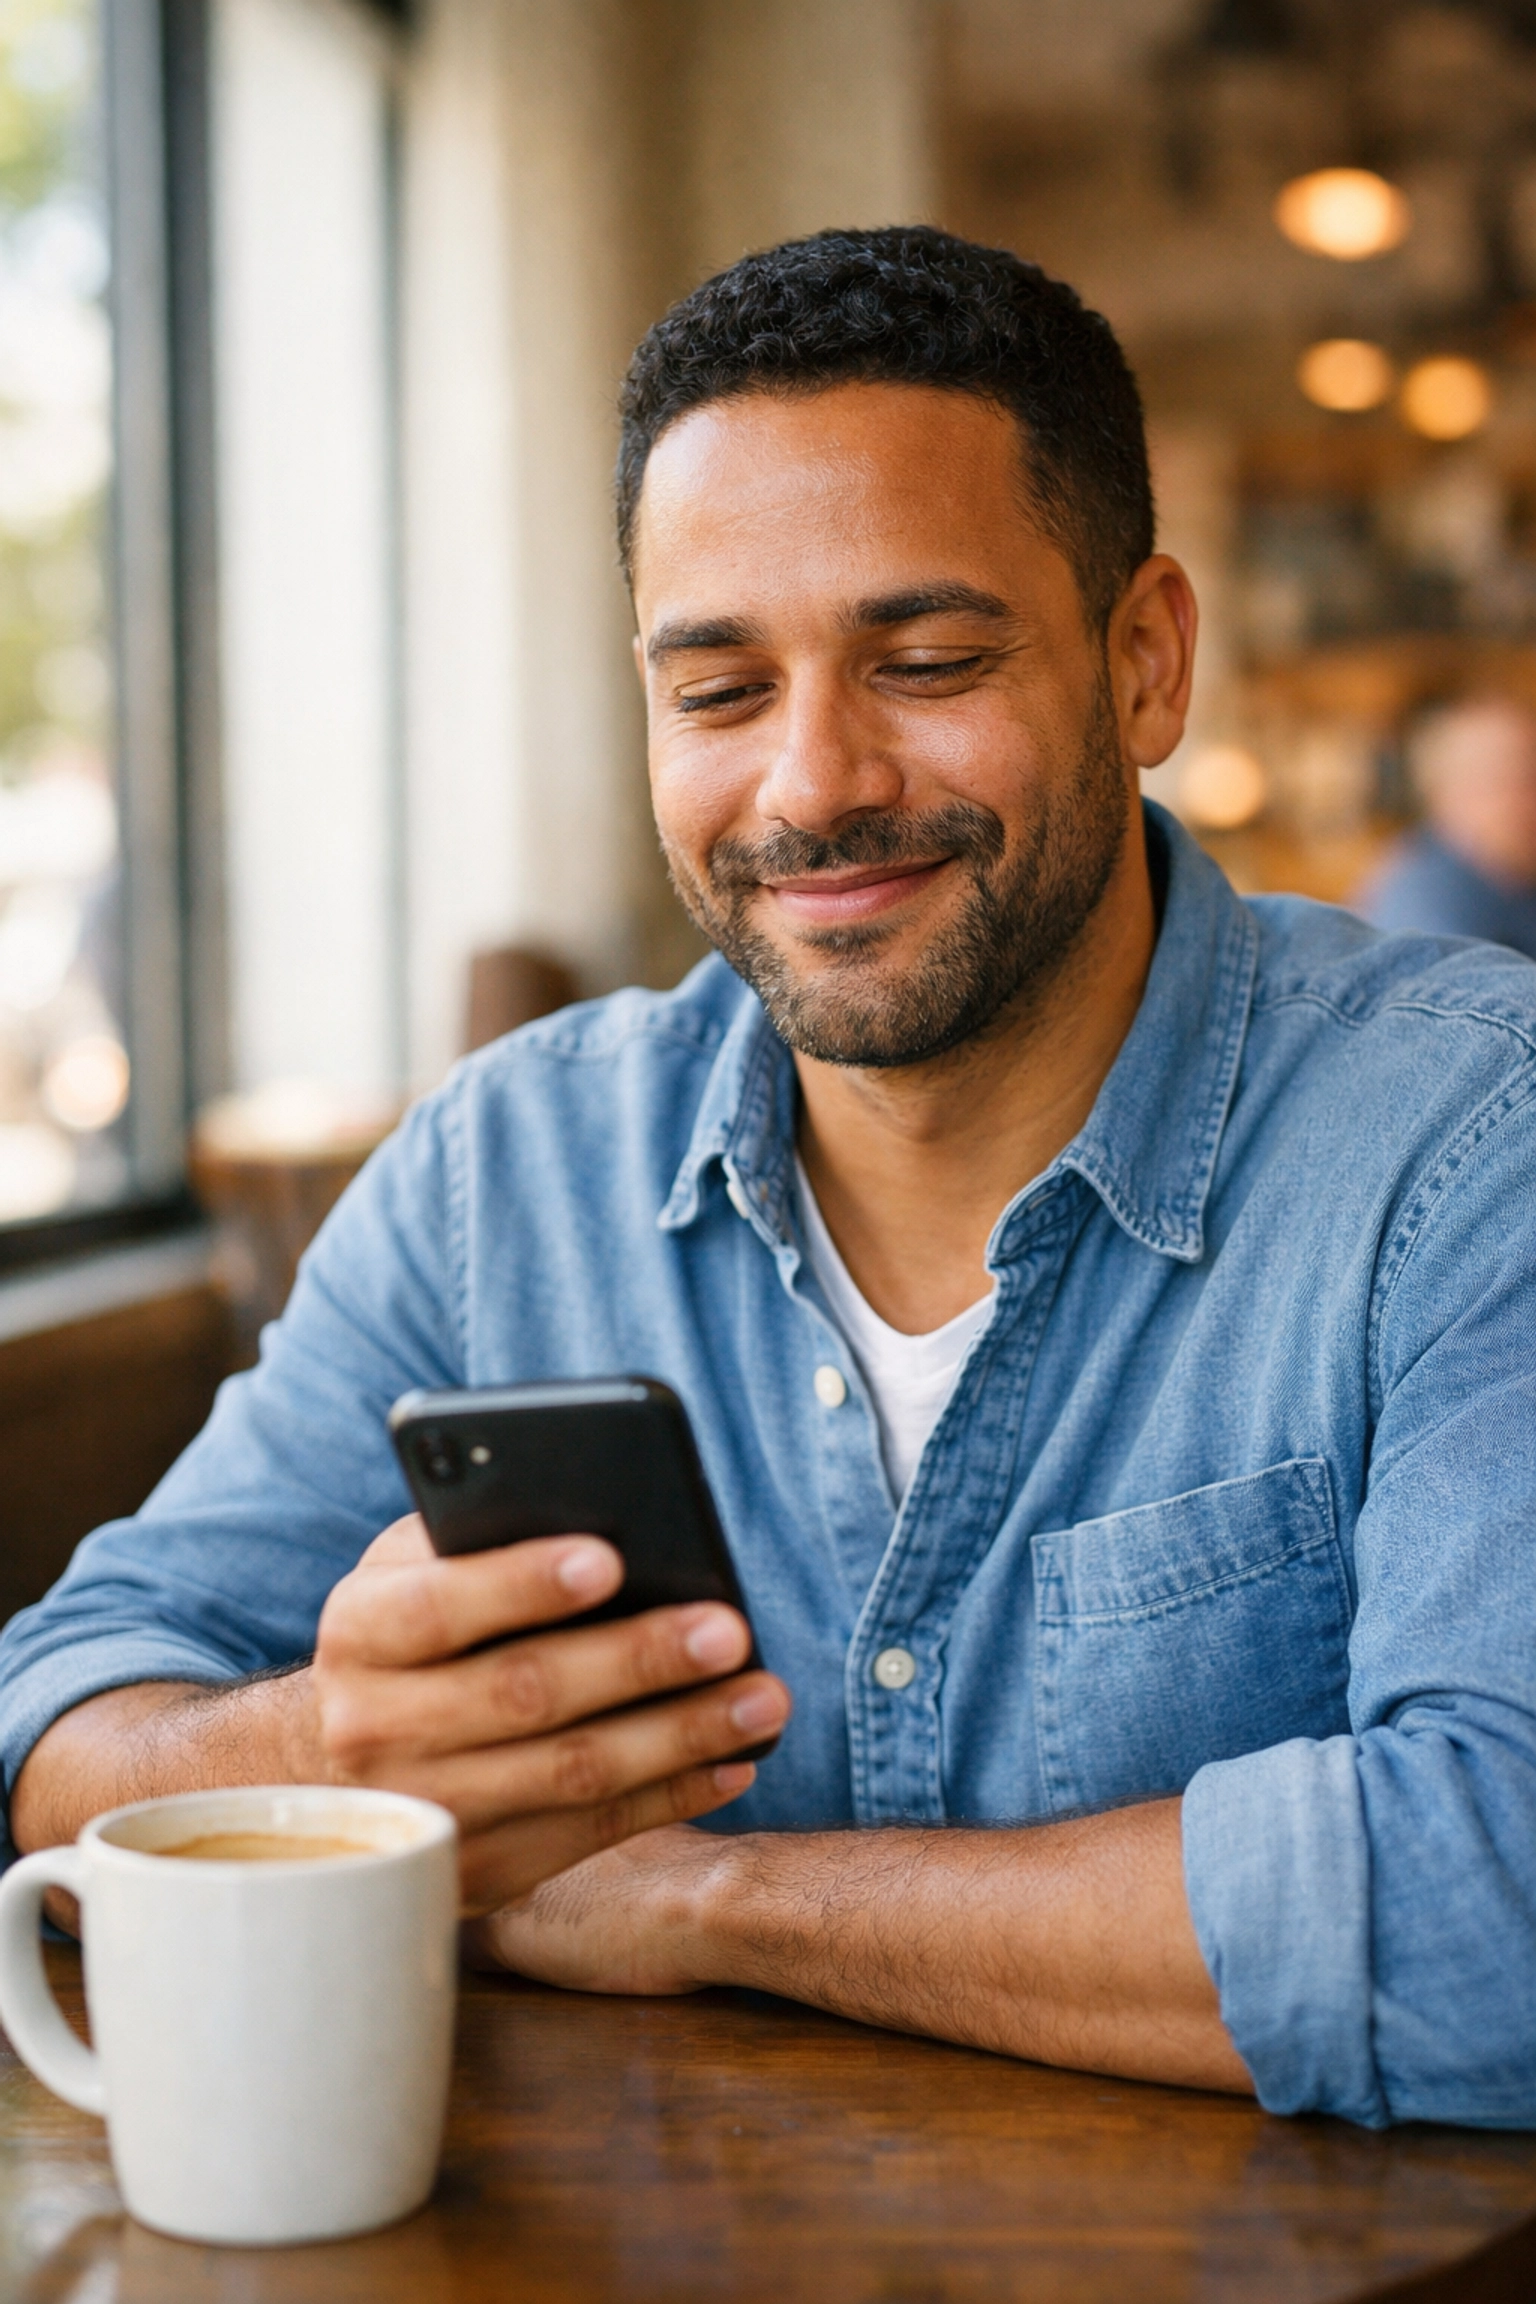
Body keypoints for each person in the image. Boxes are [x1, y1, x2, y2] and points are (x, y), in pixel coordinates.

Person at [5, 229, 1536, 2131]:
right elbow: (62, 1717)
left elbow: (1501, 1904)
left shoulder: (1473, 1134)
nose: (811, 784)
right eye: (720, 690)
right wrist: (334, 1748)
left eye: (930, 661)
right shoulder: (506, 1167)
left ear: (1145, 663)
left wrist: (711, 1900)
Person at [1357, 696, 1536, 959]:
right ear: (1446, 791)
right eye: (1520, 781)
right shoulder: (1425, 902)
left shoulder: (1511, 878)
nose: (1530, 800)